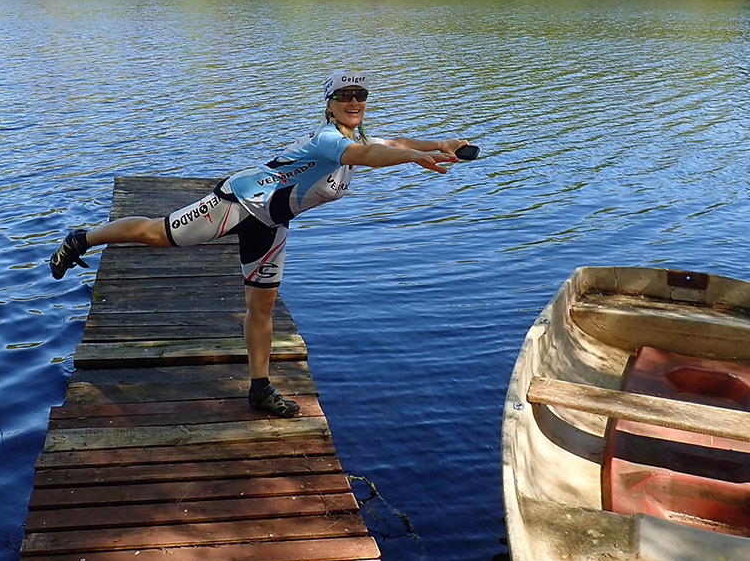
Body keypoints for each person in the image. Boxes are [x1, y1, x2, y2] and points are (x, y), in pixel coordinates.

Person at [48, 70, 470, 418]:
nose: (353, 101)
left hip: (271, 222)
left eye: (360, 95)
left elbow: (392, 144)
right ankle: (81, 239)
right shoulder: (329, 139)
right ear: (329, 103)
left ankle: (260, 388)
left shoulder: (359, 140)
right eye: (344, 95)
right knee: (156, 235)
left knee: (262, 306)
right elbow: (369, 156)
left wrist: (439, 145)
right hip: (238, 202)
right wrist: (414, 158)